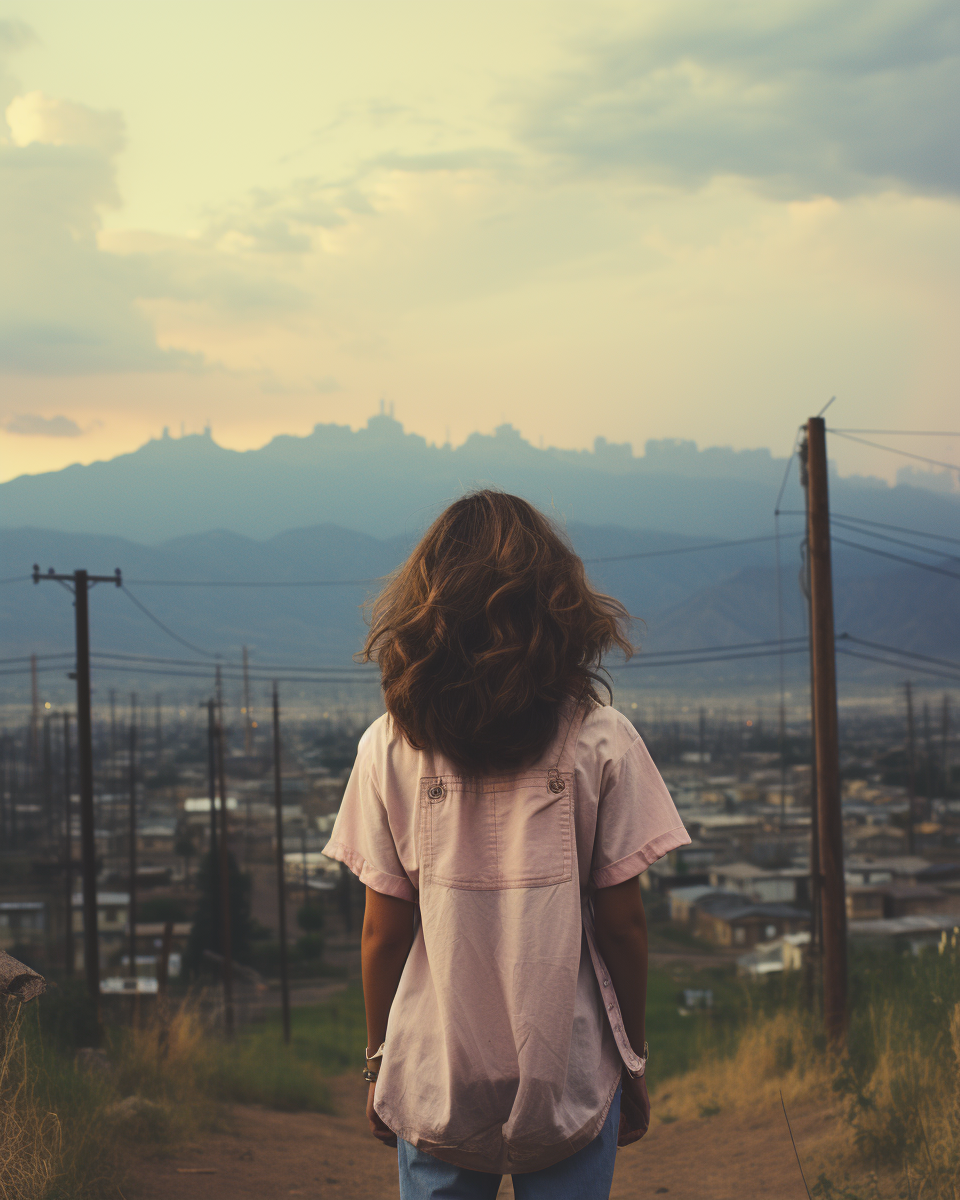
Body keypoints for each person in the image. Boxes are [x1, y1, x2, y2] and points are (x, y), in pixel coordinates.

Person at [323, 490, 689, 1199]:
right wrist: (632, 1065)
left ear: (424, 609)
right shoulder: (601, 739)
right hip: (569, 1065)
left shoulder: (389, 747)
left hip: (436, 1072)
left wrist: (377, 1064)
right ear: (557, 605)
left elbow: (381, 930)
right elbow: (624, 926)